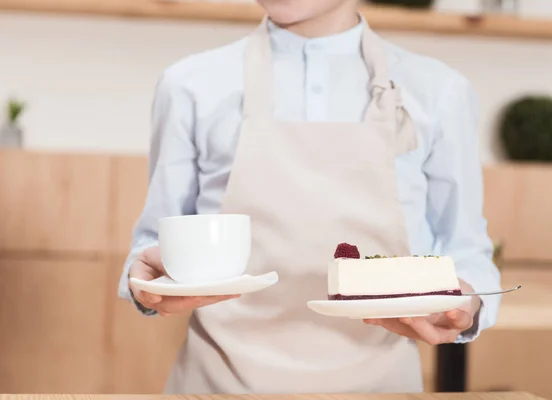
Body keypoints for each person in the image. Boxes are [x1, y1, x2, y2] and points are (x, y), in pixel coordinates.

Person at [118, 0, 502, 394]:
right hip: (217, 384)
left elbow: (467, 250)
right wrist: (145, 283)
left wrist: (467, 305)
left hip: (382, 387)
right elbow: (152, 243)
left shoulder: (440, 91)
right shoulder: (187, 85)